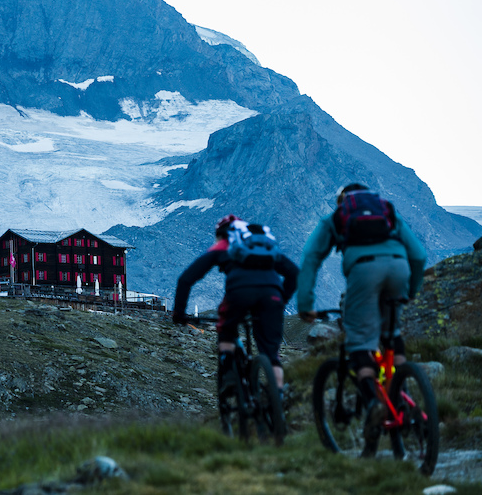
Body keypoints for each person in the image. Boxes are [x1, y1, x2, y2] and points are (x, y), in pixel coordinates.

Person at [297, 183, 427, 457]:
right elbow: (418, 254)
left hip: (364, 271)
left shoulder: (337, 217)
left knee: (360, 342)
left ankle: (373, 404)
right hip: (400, 268)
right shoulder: (387, 211)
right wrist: (411, 292)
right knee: (391, 337)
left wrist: (306, 304)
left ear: (342, 201)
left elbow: (311, 257)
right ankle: (401, 394)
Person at [173, 215, 299, 393]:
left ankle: (230, 377)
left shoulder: (224, 245)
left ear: (221, 234)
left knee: (226, 329)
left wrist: (179, 313)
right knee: (271, 353)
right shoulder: (263, 246)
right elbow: (294, 273)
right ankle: (277, 397)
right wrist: (281, 300)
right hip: (272, 295)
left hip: (239, 293)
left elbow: (186, 279)